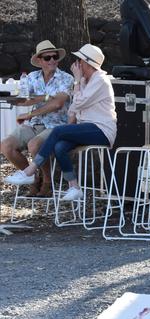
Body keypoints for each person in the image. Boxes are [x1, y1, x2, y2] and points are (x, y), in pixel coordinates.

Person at [4, 44, 117, 201]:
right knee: (59, 147)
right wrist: (69, 124)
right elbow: (73, 109)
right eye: (47, 57)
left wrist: (76, 81)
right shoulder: (84, 81)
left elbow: (78, 102)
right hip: (83, 127)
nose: (76, 64)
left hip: (101, 129)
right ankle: (74, 187)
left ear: (87, 62)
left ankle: (30, 171)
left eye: (79, 60)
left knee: (57, 131)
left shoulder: (100, 80)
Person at [0, 40, 74, 196]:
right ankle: (33, 178)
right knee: (6, 146)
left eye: (55, 57)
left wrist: (29, 113)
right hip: (35, 124)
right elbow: (27, 100)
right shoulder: (32, 77)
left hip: (56, 125)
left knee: (34, 145)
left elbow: (58, 104)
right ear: (39, 61)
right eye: (48, 58)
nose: (53, 60)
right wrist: (12, 98)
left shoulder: (66, 78)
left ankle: (47, 182)